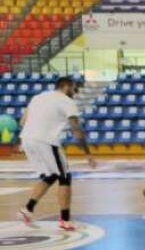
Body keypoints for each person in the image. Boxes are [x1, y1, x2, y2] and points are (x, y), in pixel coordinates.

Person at [17, 77, 95, 231]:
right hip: (46, 141)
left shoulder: (38, 97)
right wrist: (88, 154)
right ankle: (65, 220)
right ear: (66, 86)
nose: (75, 92)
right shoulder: (67, 101)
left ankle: (27, 209)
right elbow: (76, 129)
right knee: (65, 177)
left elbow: (22, 122)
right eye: (74, 88)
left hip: (27, 139)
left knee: (51, 174)